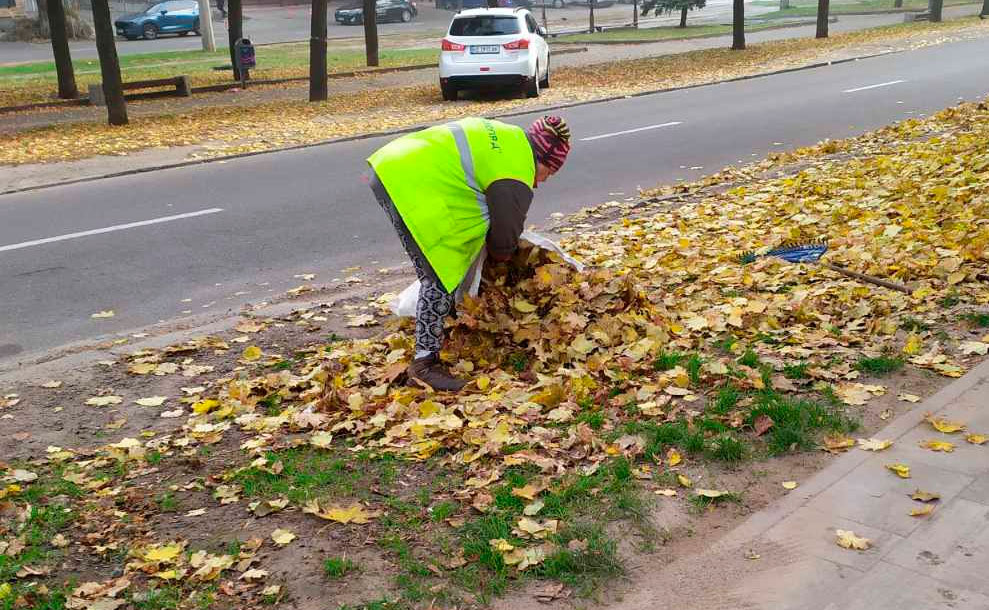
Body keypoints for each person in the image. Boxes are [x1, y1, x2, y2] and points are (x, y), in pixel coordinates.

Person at [367, 116, 572, 391]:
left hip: (394, 167)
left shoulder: (510, 138)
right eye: (549, 172)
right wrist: (503, 262)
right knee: (439, 273)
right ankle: (424, 365)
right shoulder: (517, 169)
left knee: (443, 265)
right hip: (412, 183)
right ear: (543, 158)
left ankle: (443, 323)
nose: (541, 181)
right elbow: (504, 237)